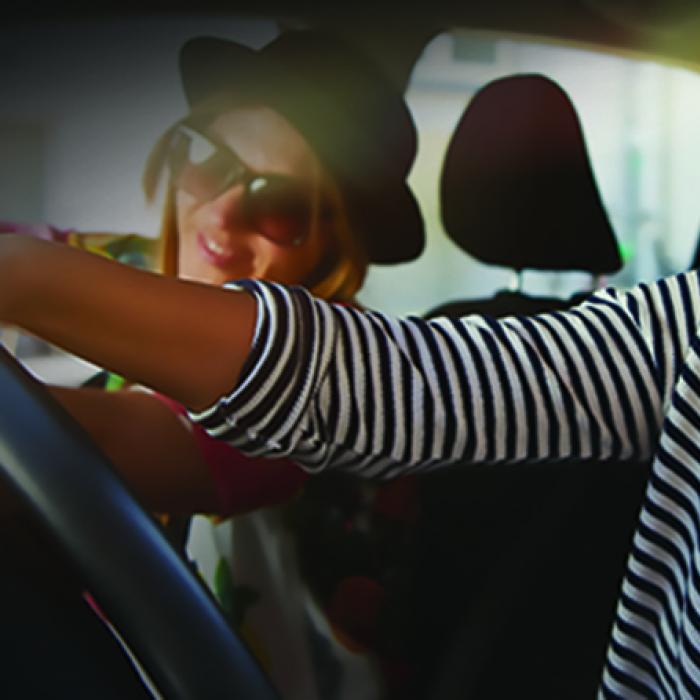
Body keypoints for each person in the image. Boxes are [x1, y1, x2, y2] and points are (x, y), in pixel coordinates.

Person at [0, 29, 426, 700]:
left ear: (327, 250)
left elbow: (107, 439)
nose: (223, 216)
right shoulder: (138, 263)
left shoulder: (318, 392)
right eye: (208, 160)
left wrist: (24, 279)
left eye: (280, 205)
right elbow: (34, 247)